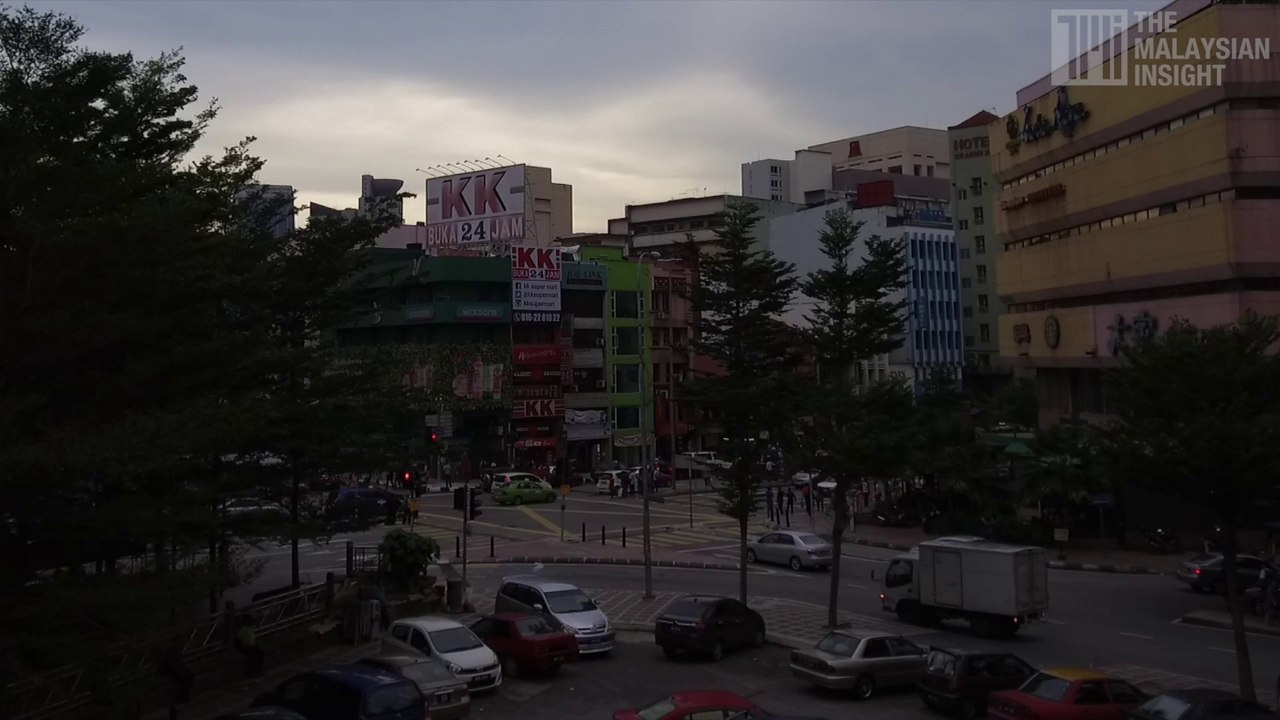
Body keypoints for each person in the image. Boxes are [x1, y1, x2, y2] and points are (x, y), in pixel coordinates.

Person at [159, 638, 193, 706]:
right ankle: (182, 696)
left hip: (177, 669)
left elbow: (180, 662)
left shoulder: (177, 651)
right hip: (171, 670)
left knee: (189, 676)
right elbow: (172, 664)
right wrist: (181, 670)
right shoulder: (171, 652)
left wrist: (183, 669)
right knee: (183, 679)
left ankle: (184, 695)